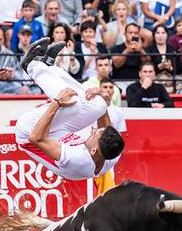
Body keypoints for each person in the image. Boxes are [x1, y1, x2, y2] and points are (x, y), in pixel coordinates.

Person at [15, 38, 125, 180]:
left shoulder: (77, 160)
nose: (91, 132)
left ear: (93, 150)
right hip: (61, 131)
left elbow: (36, 138)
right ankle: (49, 67)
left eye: (93, 135)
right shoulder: (111, 154)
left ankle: (31, 65)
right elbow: (104, 118)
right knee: (98, 105)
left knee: (73, 104)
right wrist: (98, 96)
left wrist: (56, 103)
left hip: (29, 133)